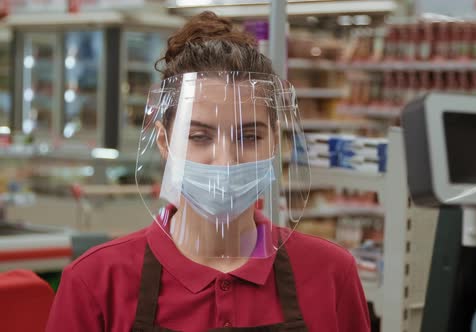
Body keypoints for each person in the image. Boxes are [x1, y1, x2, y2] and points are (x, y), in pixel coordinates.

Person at [46, 11, 370, 332]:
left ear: (275, 142)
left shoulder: (330, 273)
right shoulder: (96, 283)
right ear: (164, 141)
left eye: (250, 136)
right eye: (199, 136)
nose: (226, 160)